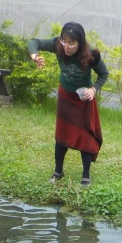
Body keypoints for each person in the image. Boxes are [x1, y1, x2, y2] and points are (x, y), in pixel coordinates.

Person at [27, 22, 109, 186]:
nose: (67, 46)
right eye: (65, 41)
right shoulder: (58, 44)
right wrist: (34, 55)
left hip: (83, 99)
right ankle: (58, 171)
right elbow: (33, 42)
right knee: (62, 135)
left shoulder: (91, 54)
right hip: (65, 96)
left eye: (72, 43)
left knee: (85, 137)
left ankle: (86, 175)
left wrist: (93, 90)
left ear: (80, 43)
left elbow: (104, 74)